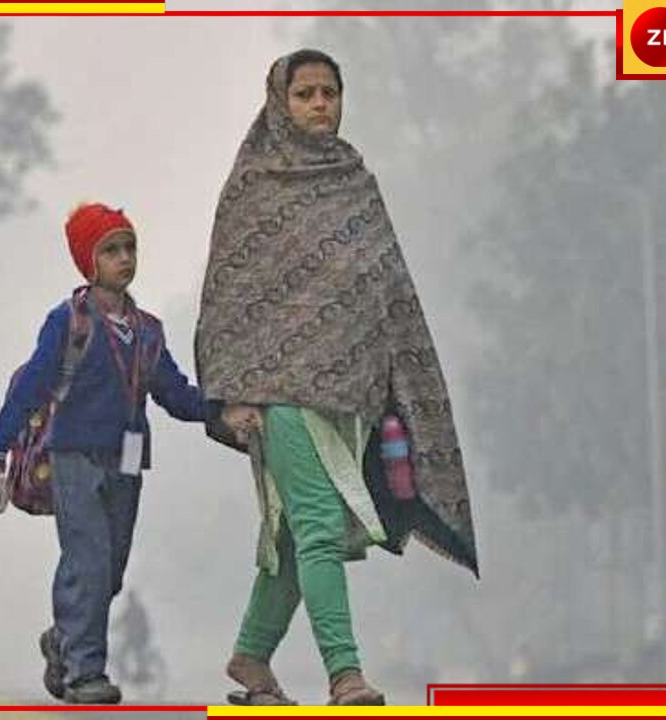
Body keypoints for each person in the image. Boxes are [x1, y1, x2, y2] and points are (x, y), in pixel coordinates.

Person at [195, 49, 480, 706]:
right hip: (279, 396)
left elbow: (388, 289)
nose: (321, 104)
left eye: (330, 92)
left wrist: (396, 387)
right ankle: (345, 675)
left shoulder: (356, 182)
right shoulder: (254, 187)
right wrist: (231, 395)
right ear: (280, 103)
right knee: (322, 526)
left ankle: (250, 656)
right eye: (305, 94)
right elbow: (229, 297)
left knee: (301, 536)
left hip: (352, 395)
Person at [0, 202, 205, 704]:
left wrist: (222, 413)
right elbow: (32, 384)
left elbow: (174, 392)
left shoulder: (148, 329)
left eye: (130, 248)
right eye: (111, 250)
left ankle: (61, 639)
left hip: (127, 460)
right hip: (73, 455)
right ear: (89, 261)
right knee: (88, 558)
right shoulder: (68, 321)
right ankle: (84, 673)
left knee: (113, 568)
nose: (124, 258)